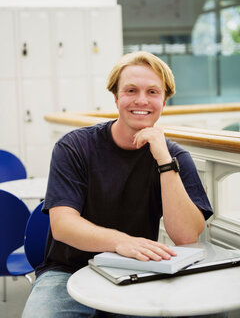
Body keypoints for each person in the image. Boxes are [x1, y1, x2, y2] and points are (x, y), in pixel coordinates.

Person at [22, 51, 214, 318]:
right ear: (115, 97)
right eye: (131, 90)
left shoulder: (173, 156)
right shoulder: (74, 147)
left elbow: (185, 236)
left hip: (137, 271)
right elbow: (63, 225)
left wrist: (164, 162)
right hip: (67, 272)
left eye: (152, 92)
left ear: (164, 100)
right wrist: (120, 241)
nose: (141, 100)